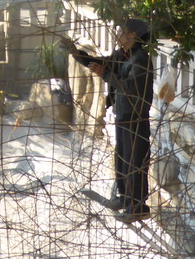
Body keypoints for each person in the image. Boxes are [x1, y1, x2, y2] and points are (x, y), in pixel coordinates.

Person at [63, 19, 154, 222]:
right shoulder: (123, 55)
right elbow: (103, 64)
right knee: (122, 157)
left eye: (121, 30)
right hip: (123, 113)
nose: (117, 33)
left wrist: (105, 75)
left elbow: (131, 89)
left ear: (132, 35)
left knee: (135, 162)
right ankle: (124, 198)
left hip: (136, 117)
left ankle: (138, 206)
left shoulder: (140, 59)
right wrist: (75, 52)